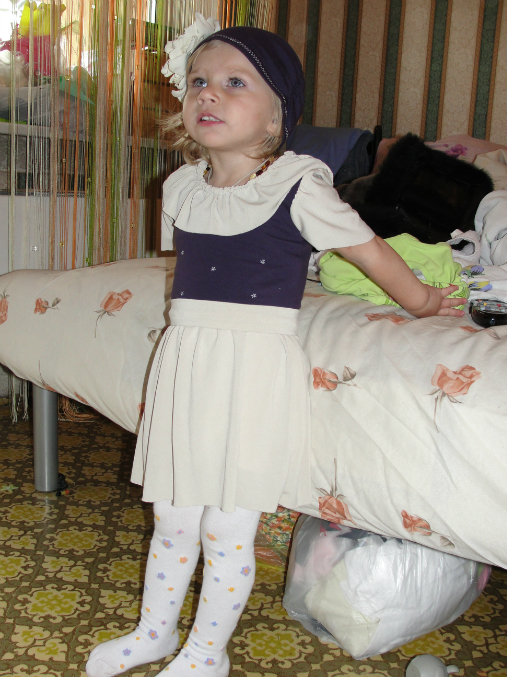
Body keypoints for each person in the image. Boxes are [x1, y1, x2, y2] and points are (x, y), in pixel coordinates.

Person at [86, 18, 464, 677]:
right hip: (187, 363)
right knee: (171, 516)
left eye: (235, 82)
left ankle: (207, 653)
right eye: (198, 81)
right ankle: (154, 632)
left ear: (276, 114)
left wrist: (424, 301)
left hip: (254, 371)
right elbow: (186, 270)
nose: (208, 93)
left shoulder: (298, 184)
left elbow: (369, 250)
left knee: (224, 528)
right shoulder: (179, 187)